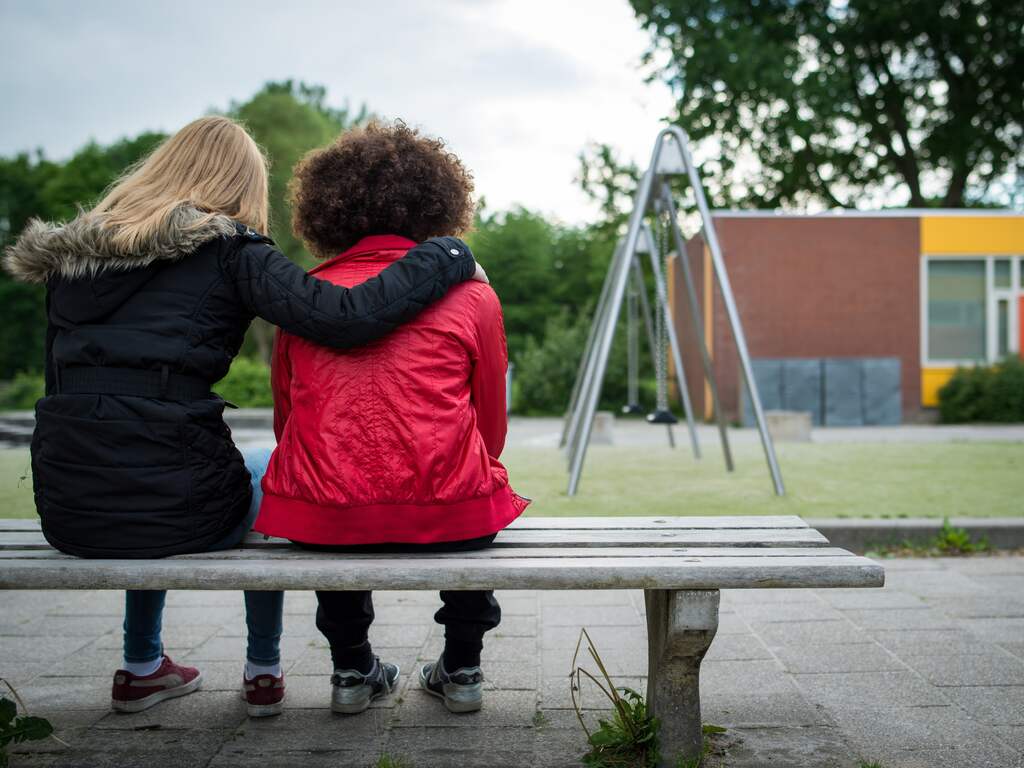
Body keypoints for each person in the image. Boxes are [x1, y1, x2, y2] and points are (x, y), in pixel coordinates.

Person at [2, 116, 487, 718]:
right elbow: (343, 317)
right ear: (238, 186)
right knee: (264, 463)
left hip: (69, 512)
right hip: (180, 512)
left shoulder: (75, 262)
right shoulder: (228, 249)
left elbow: (57, 382)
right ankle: (263, 671)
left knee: (134, 457)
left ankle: (142, 665)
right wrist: (448, 255)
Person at [254, 121, 529, 715]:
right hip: (451, 506)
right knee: (473, 490)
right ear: (439, 205)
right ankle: (461, 668)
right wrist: (470, 467)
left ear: (329, 210)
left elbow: (287, 416)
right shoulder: (474, 294)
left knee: (334, 509)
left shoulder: (305, 295)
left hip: (327, 511)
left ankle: (351, 670)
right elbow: (492, 420)